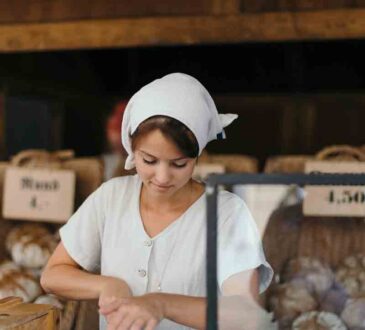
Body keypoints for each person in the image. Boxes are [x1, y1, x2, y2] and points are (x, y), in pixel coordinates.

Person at [41, 73, 274, 330]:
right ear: (131, 149)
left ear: (197, 156)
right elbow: (53, 275)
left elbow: (246, 314)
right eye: (149, 160)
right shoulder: (111, 199)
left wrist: (161, 304)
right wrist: (107, 284)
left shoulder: (226, 213)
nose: (162, 177)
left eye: (179, 164)